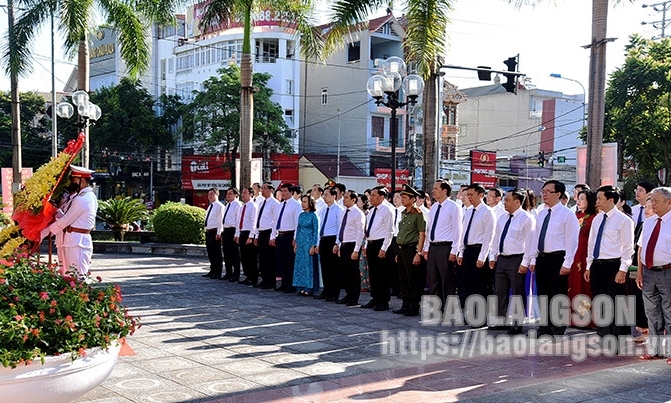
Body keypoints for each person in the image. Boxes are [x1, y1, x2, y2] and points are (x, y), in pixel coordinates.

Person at [525, 180, 580, 337]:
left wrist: (567, 262)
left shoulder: (567, 215)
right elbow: (536, 238)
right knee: (543, 293)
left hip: (558, 258)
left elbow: (572, 241)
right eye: (543, 191)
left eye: (548, 191)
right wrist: (533, 259)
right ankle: (544, 326)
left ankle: (558, 325)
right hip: (542, 258)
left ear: (558, 194)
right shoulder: (541, 213)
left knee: (558, 293)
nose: (544, 194)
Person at [584, 185, 634, 340]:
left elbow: (628, 248)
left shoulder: (624, 220)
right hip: (597, 265)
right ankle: (604, 335)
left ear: (611, 200)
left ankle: (617, 338)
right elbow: (591, 244)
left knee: (616, 303)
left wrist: (623, 269)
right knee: (600, 302)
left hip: (614, 265)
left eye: (600, 198)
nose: (596, 201)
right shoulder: (597, 219)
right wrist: (588, 266)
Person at [489, 189, 535, 334]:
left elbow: (530, 243)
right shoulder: (502, 217)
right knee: (500, 291)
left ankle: (517, 323)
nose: (504, 203)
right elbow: (496, 238)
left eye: (507, 200)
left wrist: (525, 262)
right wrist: (492, 255)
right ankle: (502, 320)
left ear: (517, 201)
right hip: (502, 259)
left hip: (517, 259)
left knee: (517, 292)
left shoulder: (526, 218)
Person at [636, 187, 671, 363]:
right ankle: (655, 350)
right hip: (649, 272)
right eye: (651, 200)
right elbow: (641, 248)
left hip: (668, 271)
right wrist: (640, 273)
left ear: (669, 202)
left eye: (656, 200)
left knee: (669, 312)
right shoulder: (649, 222)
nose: (652, 204)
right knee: (651, 312)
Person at [47, 166, 98, 278]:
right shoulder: (86, 196)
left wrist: (47, 231)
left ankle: (84, 296)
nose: (71, 183)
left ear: (82, 180)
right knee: (70, 276)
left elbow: (66, 219)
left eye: (74, 180)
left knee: (77, 277)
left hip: (77, 241)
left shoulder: (83, 198)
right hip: (74, 240)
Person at [422, 179, 462, 309]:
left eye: (436, 189)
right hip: (433, 247)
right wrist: (426, 247)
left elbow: (457, 230)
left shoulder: (453, 207)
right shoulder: (434, 207)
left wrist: (454, 251)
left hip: (446, 247)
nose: (433, 191)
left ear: (445, 191)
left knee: (447, 279)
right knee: (433, 279)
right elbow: (429, 229)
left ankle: (449, 308)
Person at [456, 183, 496, 304]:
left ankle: (480, 317)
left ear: (481, 195)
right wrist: (461, 252)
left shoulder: (487, 212)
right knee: (468, 284)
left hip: (479, 252)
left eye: (471, 195)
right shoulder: (468, 212)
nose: (469, 197)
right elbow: (463, 234)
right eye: (467, 195)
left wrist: (482, 256)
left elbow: (489, 237)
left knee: (480, 286)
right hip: (468, 251)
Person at [393, 185, 426, 317]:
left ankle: (413, 305)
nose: (402, 199)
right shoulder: (403, 213)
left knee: (413, 279)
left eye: (405, 197)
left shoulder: (418, 214)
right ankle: (405, 304)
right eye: (402, 197)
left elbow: (422, 234)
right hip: (401, 249)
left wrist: (418, 253)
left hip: (411, 249)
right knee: (403, 278)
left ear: (413, 199)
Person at [361, 186, 394, 311]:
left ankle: (383, 301)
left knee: (382, 274)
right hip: (371, 243)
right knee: (373, 273)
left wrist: (384, 248)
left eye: (374, 195)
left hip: (382, 244)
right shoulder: (372, 210)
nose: (371, 198)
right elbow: (368, 230)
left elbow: (389, 231)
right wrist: (366, 245)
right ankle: (375, 297)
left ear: (381, 197)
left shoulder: (387, 210)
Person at [568, 189, 597, 326]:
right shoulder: (574, 215)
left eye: (582, 199)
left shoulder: (594, 218)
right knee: (573, 283)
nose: (578, 201)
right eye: (578, 198)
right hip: (573, 254)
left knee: (585, 285)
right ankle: (573, 317)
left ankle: (587, 318)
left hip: (586, 254)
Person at [334, 190, 365, 306]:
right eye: (344, 197)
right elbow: (340, 229)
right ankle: (348, 294)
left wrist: (356, 250)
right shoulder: (343, 212)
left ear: (353, 200)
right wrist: (338, 244)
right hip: (344, 244)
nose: (344, 199)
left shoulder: (358, 213)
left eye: (346, 197)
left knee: (353, 272)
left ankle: (354, 297)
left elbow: (360, 232)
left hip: (353, 245)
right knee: (345, 272)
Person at [315, 187, 345, 301]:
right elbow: (320, 228)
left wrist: (337, 243)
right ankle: (326, 290)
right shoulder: (323, 210)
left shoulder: (339, 210)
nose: (324, 197)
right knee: (325, 267)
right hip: (323, 239)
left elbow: (339, 228)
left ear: (333, 196)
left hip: (332, 240)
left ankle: (334, 293)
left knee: (333, 268)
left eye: (327, 195)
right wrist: (318, 244)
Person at [273, 183, 302, 292]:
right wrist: (273, 235)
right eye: (282, 191)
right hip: (280, 235)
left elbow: (297, 223)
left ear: (291, 192)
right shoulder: (280, 205)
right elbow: (275, 221)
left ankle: (291, 284)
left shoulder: (296, 205)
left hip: (290, 235)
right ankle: (284, 283)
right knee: (281, 261)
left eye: (285, 191)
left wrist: (295, 238)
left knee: (290, 261)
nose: (283, 193)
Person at [254, 182, 280, 289]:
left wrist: (273, 236)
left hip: (269, 233)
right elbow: (258, 220)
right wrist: (256, 235)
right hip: (261, 232)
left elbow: (275, 221)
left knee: (270, 259)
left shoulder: (275, 203)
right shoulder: (261, 203)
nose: (262, 190)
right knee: (262, 258)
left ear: (271, 190)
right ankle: (264, 279)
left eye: (265, 188)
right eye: (262, 188)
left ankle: (270, 281)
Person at [293, 195, 320, 296]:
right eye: (302, 202)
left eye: (305, 202)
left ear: (310, 203)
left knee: (308, 265)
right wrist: (296, 243)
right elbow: (298, 229)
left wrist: (314, 245)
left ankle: (309, 287)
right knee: (300, 265)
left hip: (309, 242)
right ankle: (300, 286)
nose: (303, 204)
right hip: (301, 242)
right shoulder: (301, 215)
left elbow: (316, 231)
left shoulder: (314, 215)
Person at [236, 186, 259, 286]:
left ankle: (253, 278)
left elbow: (254, 222)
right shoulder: (242, 207)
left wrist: (251, 236)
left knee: (251, 257)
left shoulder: (253, 206)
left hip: (249, 233)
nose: (243, 195)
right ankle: (247, 275)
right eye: (242, 193)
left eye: (245, 193)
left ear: (251, 194)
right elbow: (238, 222)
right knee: (244, 257)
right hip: (242, 233)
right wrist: (237, 234)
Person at [201, 187, 224, 279]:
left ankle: (217, 272)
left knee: (216, 253)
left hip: (215, 231)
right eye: (209, 194)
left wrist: (219, 232)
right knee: (210, 252)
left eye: (212, 194)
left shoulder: (220, 206)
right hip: (209, 231)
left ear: (217, 194)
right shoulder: (210, 206)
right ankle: (212, 270)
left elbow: (220, 221)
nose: (210, 196)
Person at [221, 187, 242, 281]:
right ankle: (228, 272)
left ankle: (236, 274)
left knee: (234, 254)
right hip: (226, 230)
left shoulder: (238, 205)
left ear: (235, 195)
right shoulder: (227, 205)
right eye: (227, 194)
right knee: (226, 253)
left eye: (230, 194)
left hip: (233, 230)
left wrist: (237, 234)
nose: (227, 195)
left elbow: (238, 221)